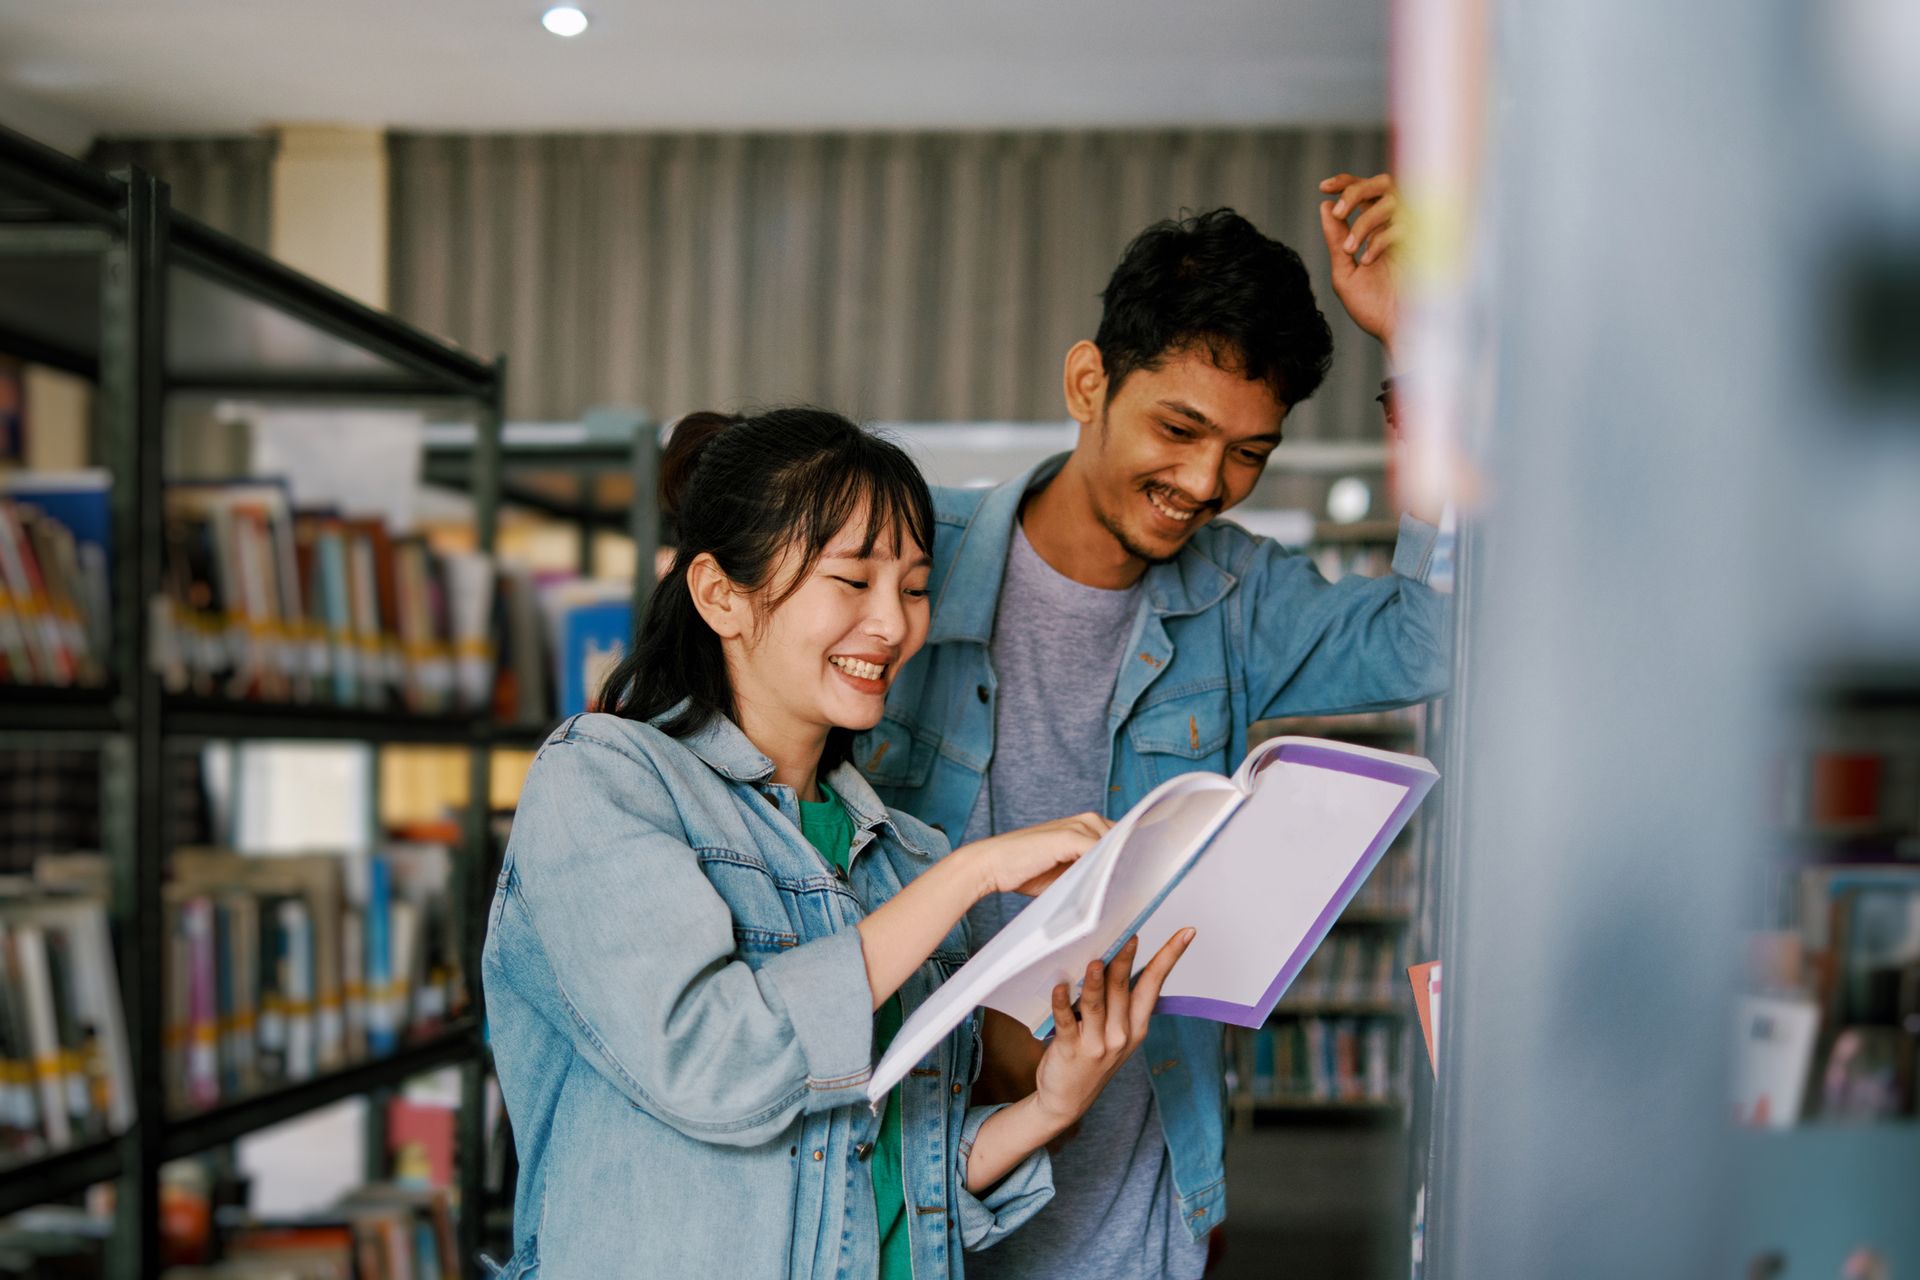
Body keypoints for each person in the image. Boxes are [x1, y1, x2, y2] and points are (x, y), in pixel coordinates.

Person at [853, 175, 1445, 1280]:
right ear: (1089, 381)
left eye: (1249, 452)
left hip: (1135, 1207)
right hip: (903, 1191)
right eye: (1178, 427)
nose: (1204, 481)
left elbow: (1435, 634)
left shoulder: (1238, 597)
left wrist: (1425, 358)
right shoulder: (903, 557)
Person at [482, 407, 1195, 1279]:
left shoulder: (905, 853)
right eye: (853, 581)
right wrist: (969, 876)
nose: (893, 625)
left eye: (915, 586)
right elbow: (710, 1061)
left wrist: (1050, 1105)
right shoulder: (602, 783)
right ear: (719, 595)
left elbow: (898, 1170)